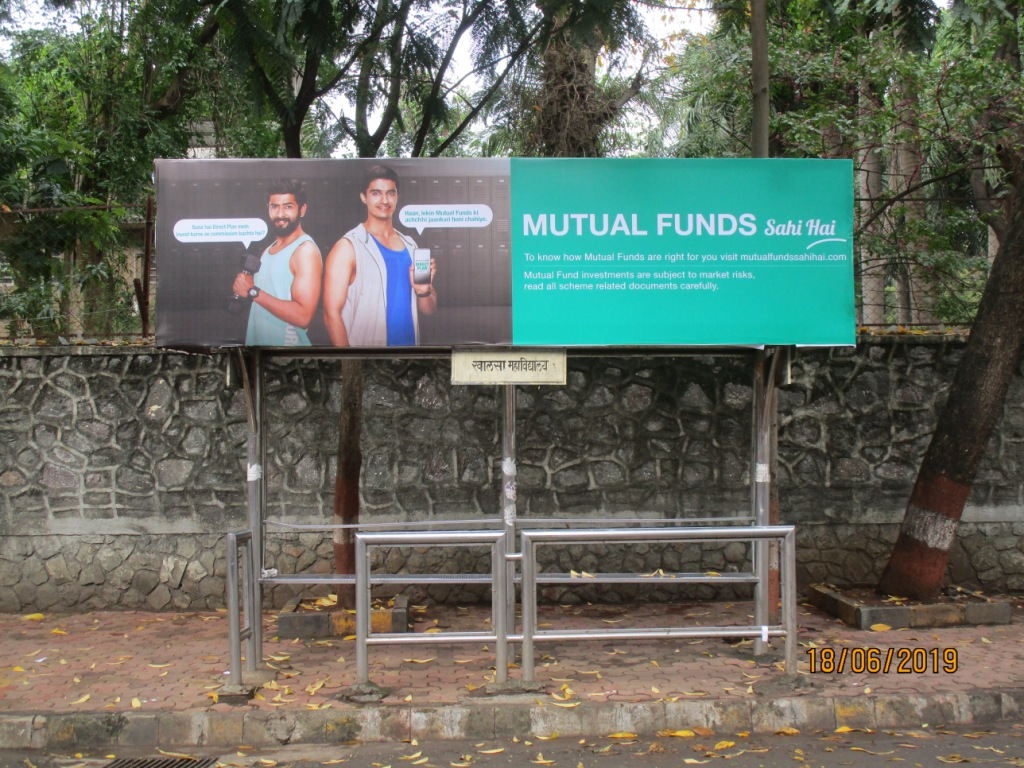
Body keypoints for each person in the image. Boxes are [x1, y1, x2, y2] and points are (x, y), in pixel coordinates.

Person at [322, 165, 437, 346]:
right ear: (364, 197)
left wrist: (424, 291)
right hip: (368, 357)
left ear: (397, 197)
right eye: (376, 193)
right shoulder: (348, 247)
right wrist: (350, 360)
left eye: (390, 193)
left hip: (409, 354)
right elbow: (330, 314)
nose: (385, 200)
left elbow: (429, 310)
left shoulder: (410, 245)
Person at [233, 180, 322, 347]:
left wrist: (252, 291)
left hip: (287, 357)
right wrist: (244, 288)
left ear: (302, 210)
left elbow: (303, 317)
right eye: (274, 207)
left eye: (288, 207)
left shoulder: (305, 251)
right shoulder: (269, 249)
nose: (280, 214)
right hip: (261, 353)